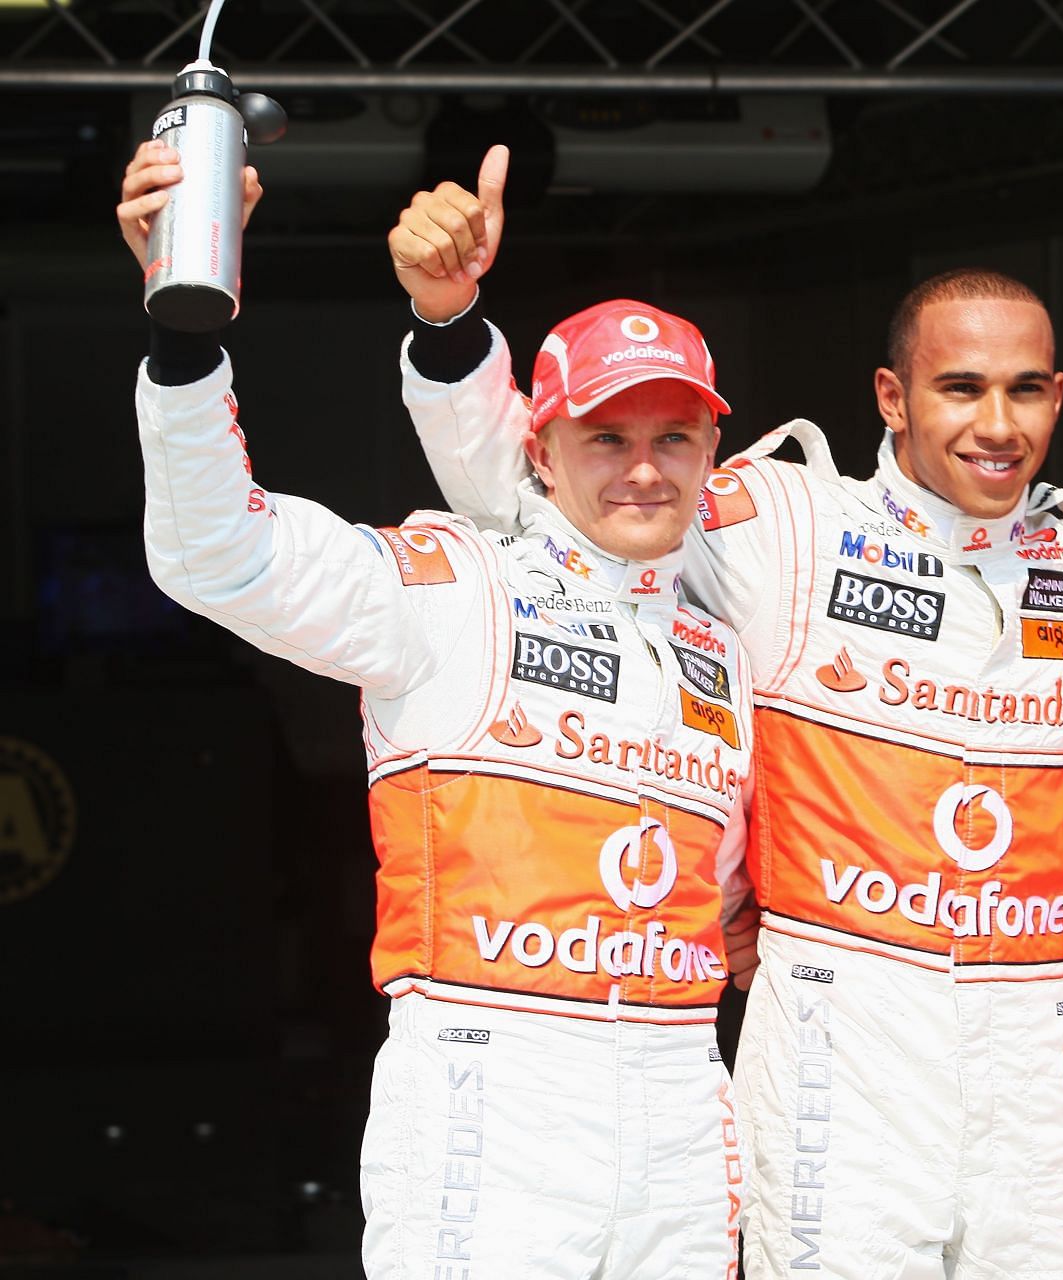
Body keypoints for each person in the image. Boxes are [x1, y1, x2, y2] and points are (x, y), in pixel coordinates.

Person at [388, 148, 1063, 1278]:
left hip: (1027, 1023)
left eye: (1025, 389)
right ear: (892, 396)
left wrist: (1001, 901)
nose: (999, 422)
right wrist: (452, 333)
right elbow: (549, 506)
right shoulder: (786, 516)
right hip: (845, 1015)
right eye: (961, 388)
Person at [120, 142, 755, 1278]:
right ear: (542, 451)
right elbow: (217, 551)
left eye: (674, 437)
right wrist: (184, 328)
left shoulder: (719, 641)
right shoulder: (453, 583)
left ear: (713, 449)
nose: (645, 470)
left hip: (678, 1097)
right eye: (607, 436)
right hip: (493, 1091)